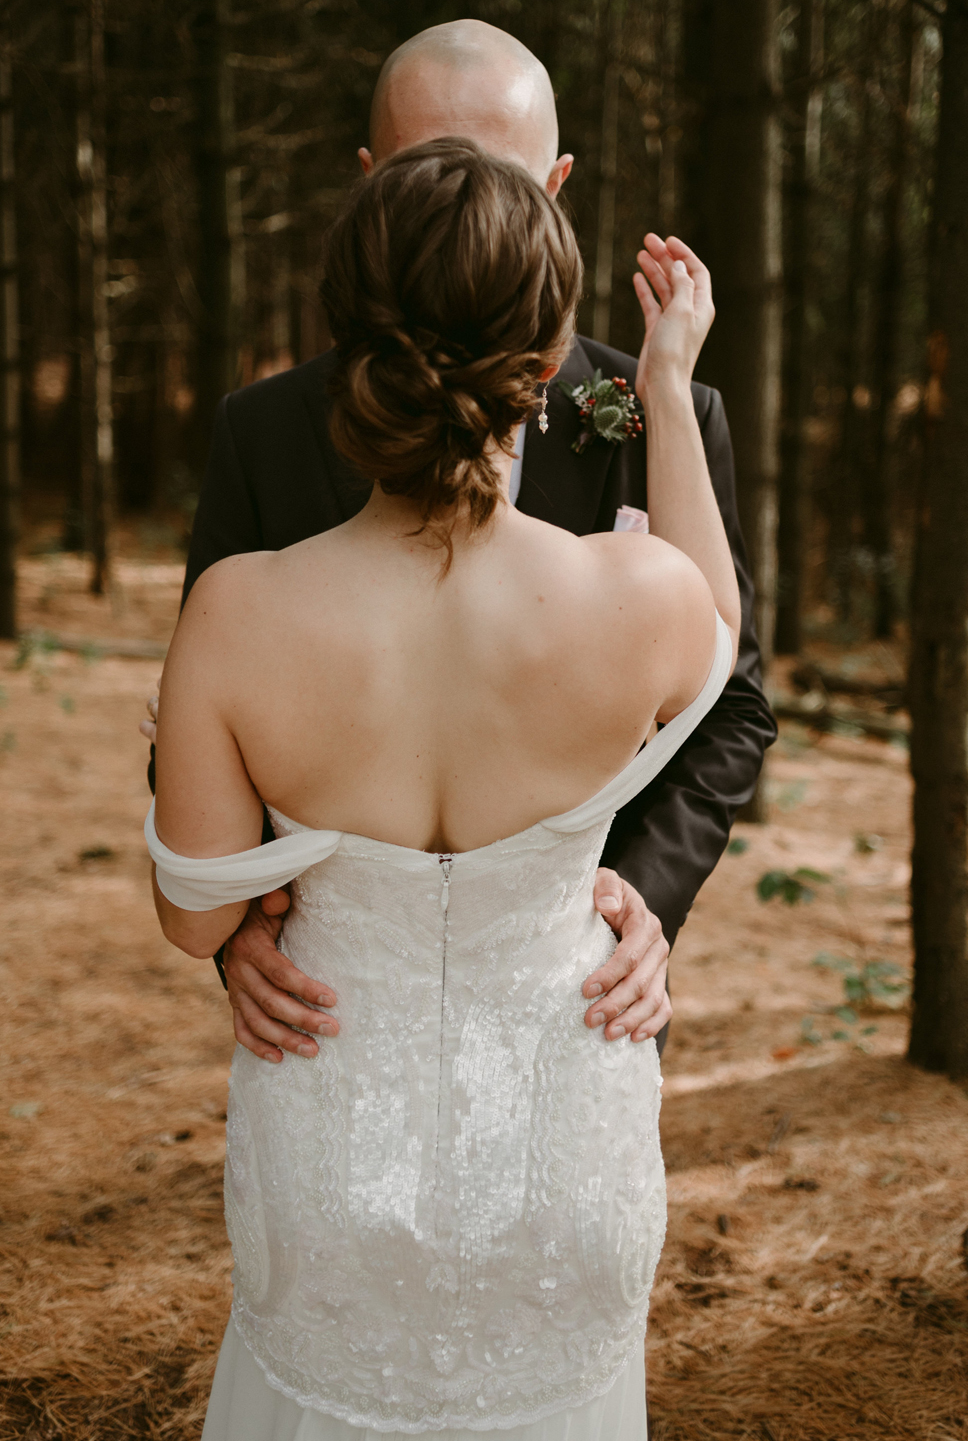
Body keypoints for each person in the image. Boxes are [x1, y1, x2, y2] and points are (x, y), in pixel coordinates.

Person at [148, 140, 737, 1435]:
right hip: (563, 1142)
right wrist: (669, 383)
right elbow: (720, 628)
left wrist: (258, 895)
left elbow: (195, 915)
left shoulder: (239, 612)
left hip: (329, 1134)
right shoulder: (639, 603)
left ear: (347, 342)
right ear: (544, 363)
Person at [144, 21, 776, 1068]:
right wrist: (243, 928)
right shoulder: (260, 429)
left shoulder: (668, 418)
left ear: (555, 187)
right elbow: (712, 640)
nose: (454, 215)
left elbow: (733, 711)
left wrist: (642, 905)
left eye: (493, 181)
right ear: (366, 192)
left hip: (576, 1004)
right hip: (325, 1020)